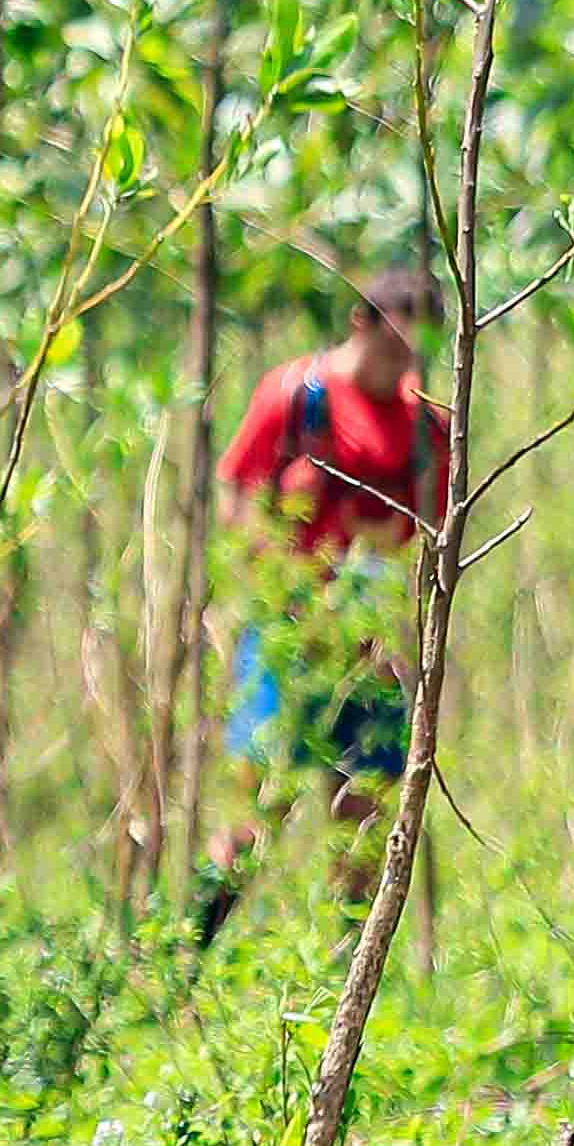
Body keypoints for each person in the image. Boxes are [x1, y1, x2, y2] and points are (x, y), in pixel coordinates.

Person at [192, 265, 456, 954]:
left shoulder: (427, 428)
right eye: (395, 345)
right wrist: (285, 589)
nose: (403, 363)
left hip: (368, 649)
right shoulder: (296, 396)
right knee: (259, 812)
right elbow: (239, 494)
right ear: (359, 323)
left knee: (364, 821)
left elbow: (428, 534)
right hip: (286, 637)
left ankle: (342, 976)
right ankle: (181, 958)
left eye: (418, 350)